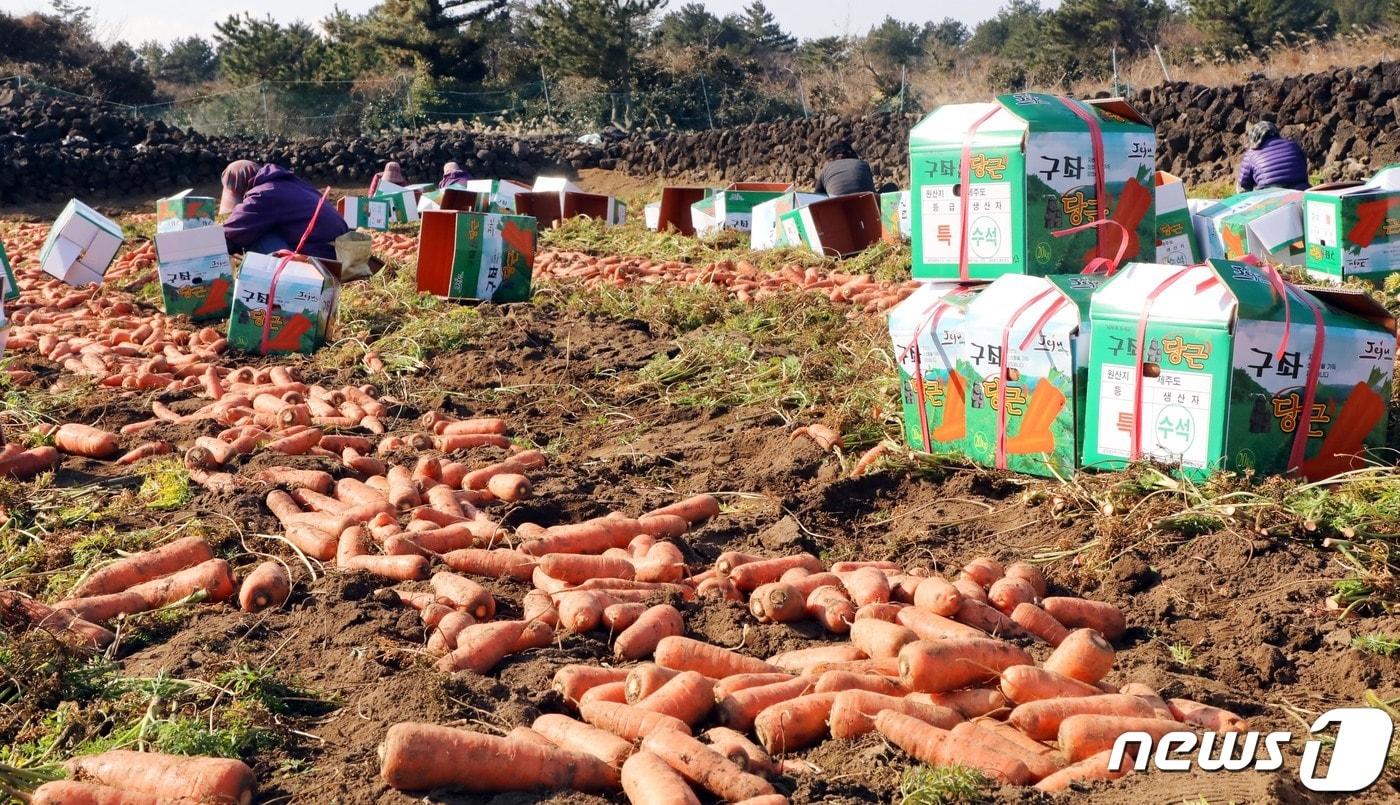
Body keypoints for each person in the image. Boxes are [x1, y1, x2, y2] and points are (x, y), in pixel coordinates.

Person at [220, 160, 349, 261]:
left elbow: (232, 232)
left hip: (318, 258)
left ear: (243, 185)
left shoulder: (263, 194)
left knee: (254, 233)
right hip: (339, 254)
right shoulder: (291, 183)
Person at [1237, 121, 1309, 192]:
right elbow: (1304, 167)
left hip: (1270, 194)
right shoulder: (1293, 145)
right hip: (1300, 190)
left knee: (1241, 187)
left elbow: (1244, 184)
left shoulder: (1250, 154)